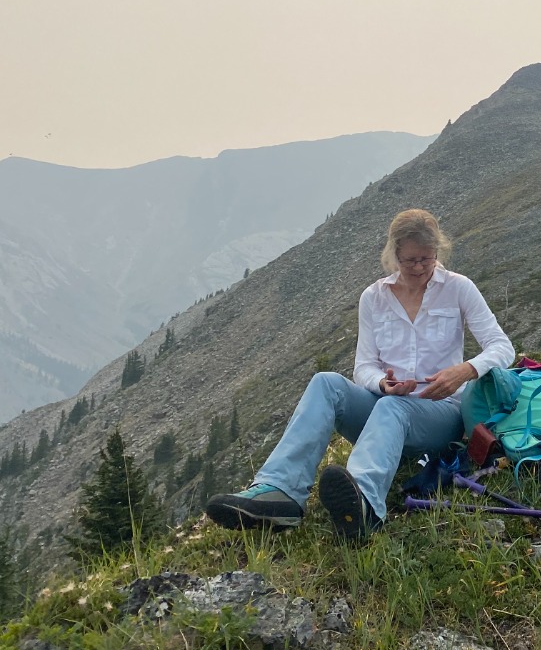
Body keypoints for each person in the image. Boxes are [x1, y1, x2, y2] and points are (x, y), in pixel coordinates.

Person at [205, 208, 514, 538]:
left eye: (427, 258)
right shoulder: (374, 297)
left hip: (441, 415)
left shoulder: (458, 288)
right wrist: (382, 383)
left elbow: (502, 347)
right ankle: (280, 494)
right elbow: (363, 367)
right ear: (394, 254)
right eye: (410, 260)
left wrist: (464, 371)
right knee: (326, 383)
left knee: (393, 407)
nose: (419, 267)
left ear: (437, 250)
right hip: (386, 411)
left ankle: (363, 503)